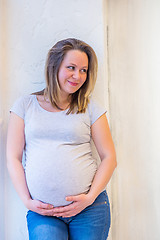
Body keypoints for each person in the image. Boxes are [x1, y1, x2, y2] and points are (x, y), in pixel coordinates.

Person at [6, 38, 117, 240]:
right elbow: (13, 157)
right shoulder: (25, 105)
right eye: (71, 67)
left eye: (84, 70)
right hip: (44, 213)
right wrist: (26, 200)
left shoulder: (90, 107)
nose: (78, 76)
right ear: (54, 66)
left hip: (89, 210)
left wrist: (90, 198)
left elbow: (109, 157)